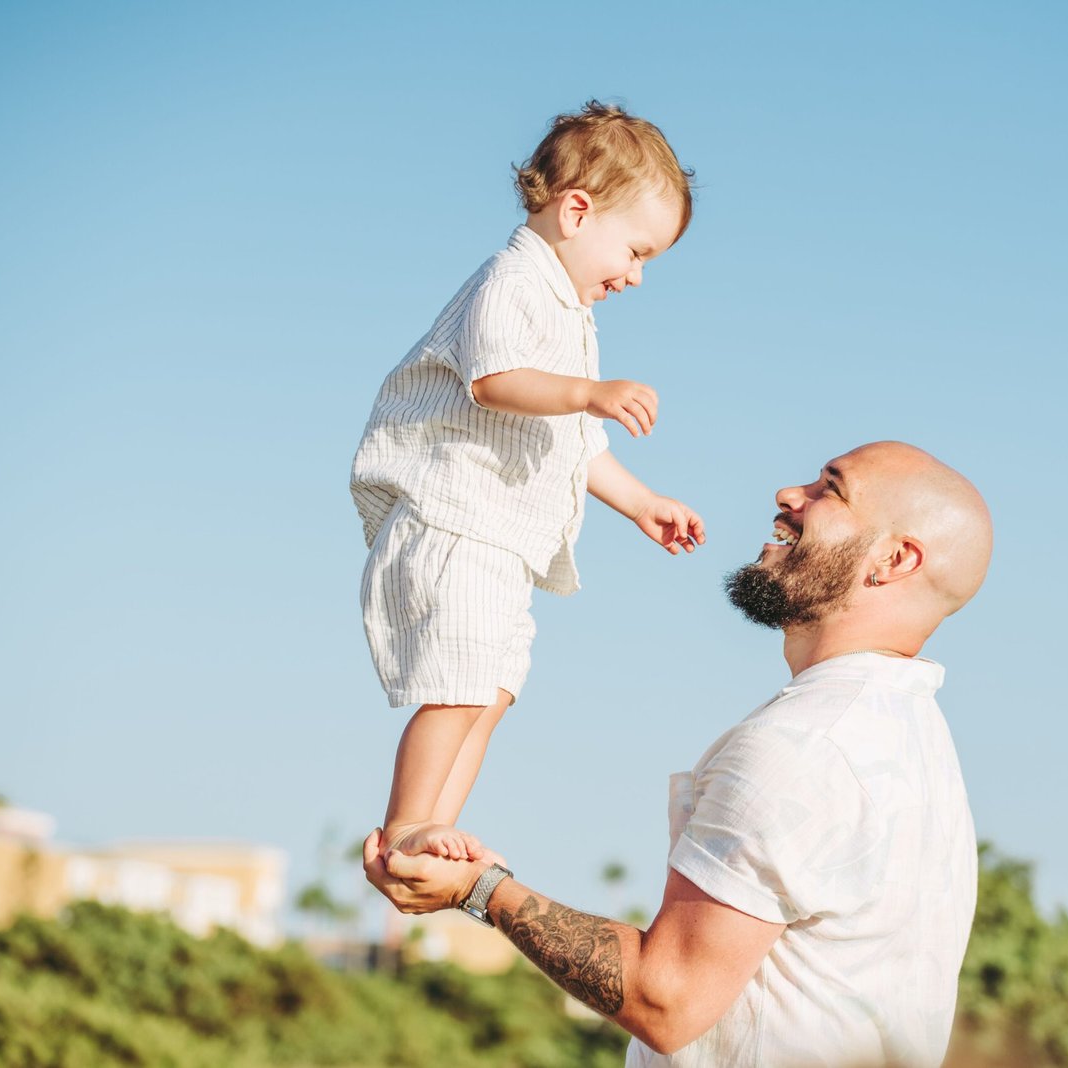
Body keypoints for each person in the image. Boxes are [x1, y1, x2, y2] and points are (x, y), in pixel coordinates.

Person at [364, 441, 994, 1068]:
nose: (788, 495)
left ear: (893, 559)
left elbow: (664, 998)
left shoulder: (806, 743)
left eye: (830, 488)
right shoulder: (914, 743)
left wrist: (480, 890)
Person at [350, 102, 705, 864]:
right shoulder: (511, 282)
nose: (636, 277)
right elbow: (495, 382)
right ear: (576, 211)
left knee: (494, 689)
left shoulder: (567, 313)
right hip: (455, 523)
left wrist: (643, 503)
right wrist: (588, 391)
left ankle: (431, 830)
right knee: (460, 684)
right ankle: (409, 821)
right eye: (636, 252)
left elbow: (572, 442)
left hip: (501, 541)